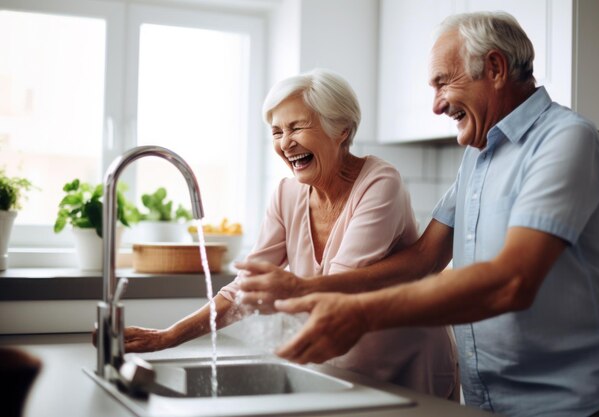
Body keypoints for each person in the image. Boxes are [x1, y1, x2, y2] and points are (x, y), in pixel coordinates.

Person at [237, 12, 599, 417]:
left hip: (574, 403)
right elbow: (423, 259)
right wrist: (305, 289)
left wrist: (362, 312)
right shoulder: (479, 155)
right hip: (488, 401)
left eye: (443, 82)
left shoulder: (564, 141)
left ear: (494, 68)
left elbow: (511, 282)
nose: (437, 104)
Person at [122, 68, 459, 399]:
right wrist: (168, 336)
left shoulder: (380, 182)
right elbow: (245, 287)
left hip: (408, 362)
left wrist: (289, 291)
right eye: (276, 131)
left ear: (341, 129)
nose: (285, 143)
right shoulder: (286, 194)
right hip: (344, 364)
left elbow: (345, 283)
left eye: (297, 127)